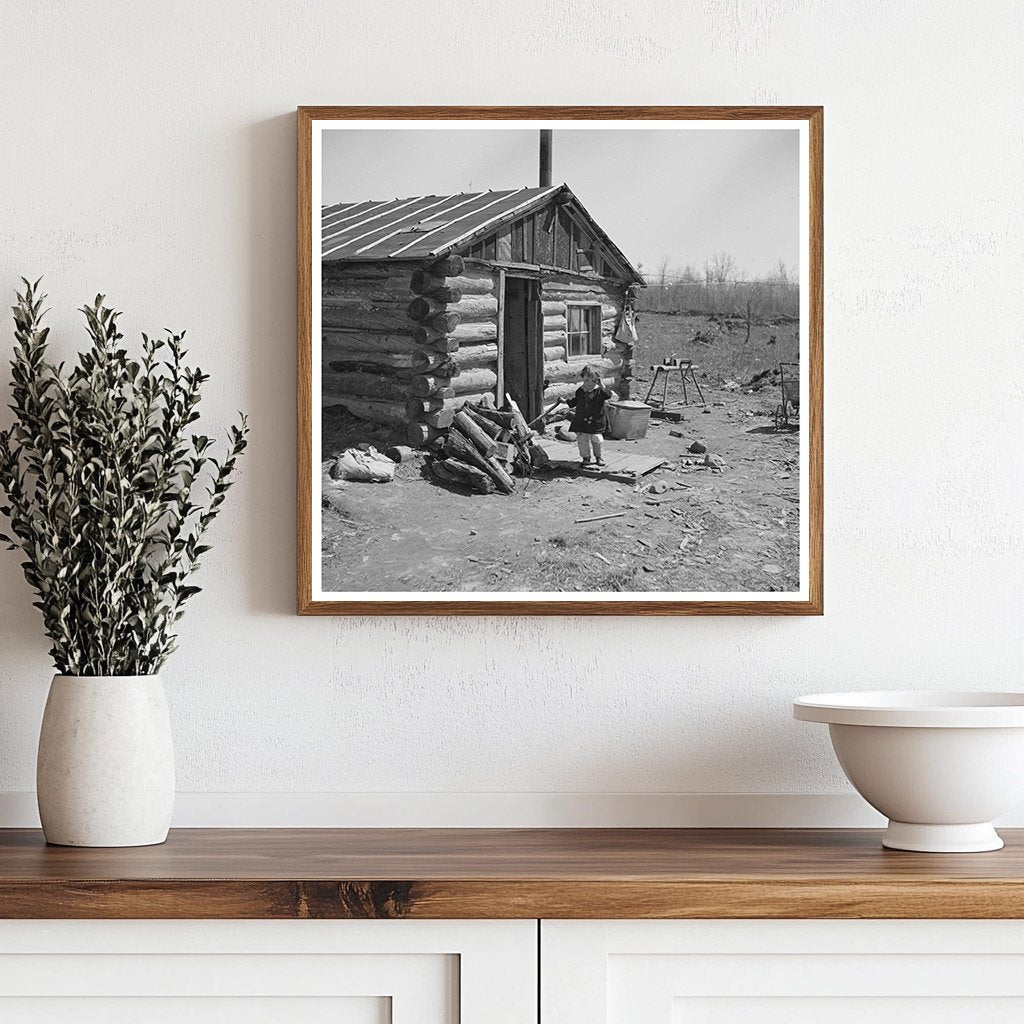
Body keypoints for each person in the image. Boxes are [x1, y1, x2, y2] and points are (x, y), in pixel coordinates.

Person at [565, 364, 614, 467]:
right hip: (582, 420)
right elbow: (575, 401)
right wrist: (565, 401)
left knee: (597, 439)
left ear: (598, 381)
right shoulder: (580, 391)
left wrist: (602, 385)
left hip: (596, 421)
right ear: (583, 378)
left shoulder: (600, 391)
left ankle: (598, 457)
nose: (589, 384)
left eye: (593, 381)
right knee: (582, 440)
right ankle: (586, 457)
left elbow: (608, 395)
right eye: (587, 380)